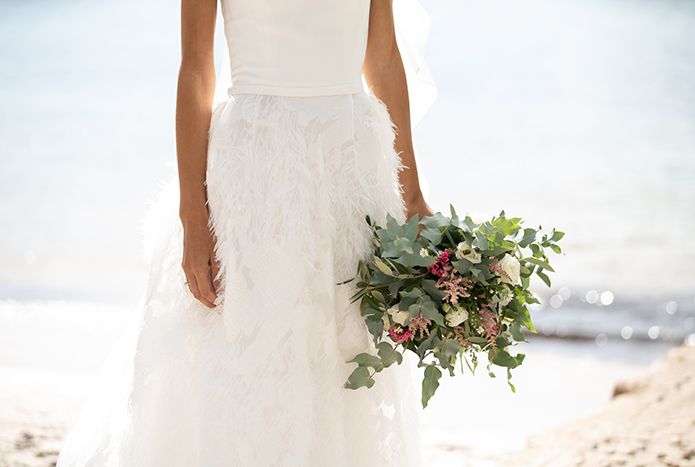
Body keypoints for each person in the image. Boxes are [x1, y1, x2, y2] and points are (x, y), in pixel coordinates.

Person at [57, 0, 433, 465]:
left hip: (350, 166)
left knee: (344, 348)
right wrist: (193, 218)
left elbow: (384, 59)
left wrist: (412, 195)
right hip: (256, 169)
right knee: (248, 349)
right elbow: (196, 71)